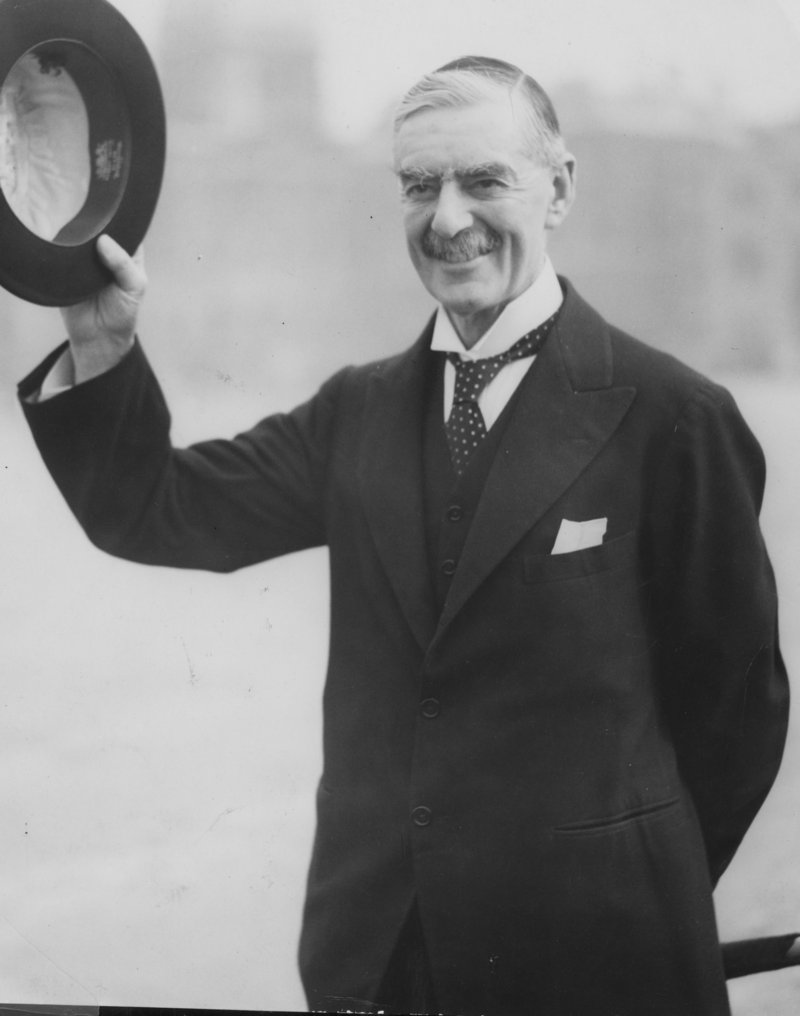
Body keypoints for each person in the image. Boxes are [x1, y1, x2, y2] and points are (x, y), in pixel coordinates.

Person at [18, 56, 789, 1016]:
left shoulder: (676, 417)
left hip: (601, 968)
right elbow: (158, 507)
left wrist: (636, 890)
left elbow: (739, 714)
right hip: (382, 971)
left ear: (559, 189)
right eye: (420, 185)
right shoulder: (357, 411)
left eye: (484, 180)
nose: (448, 219)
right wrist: (102, 345)